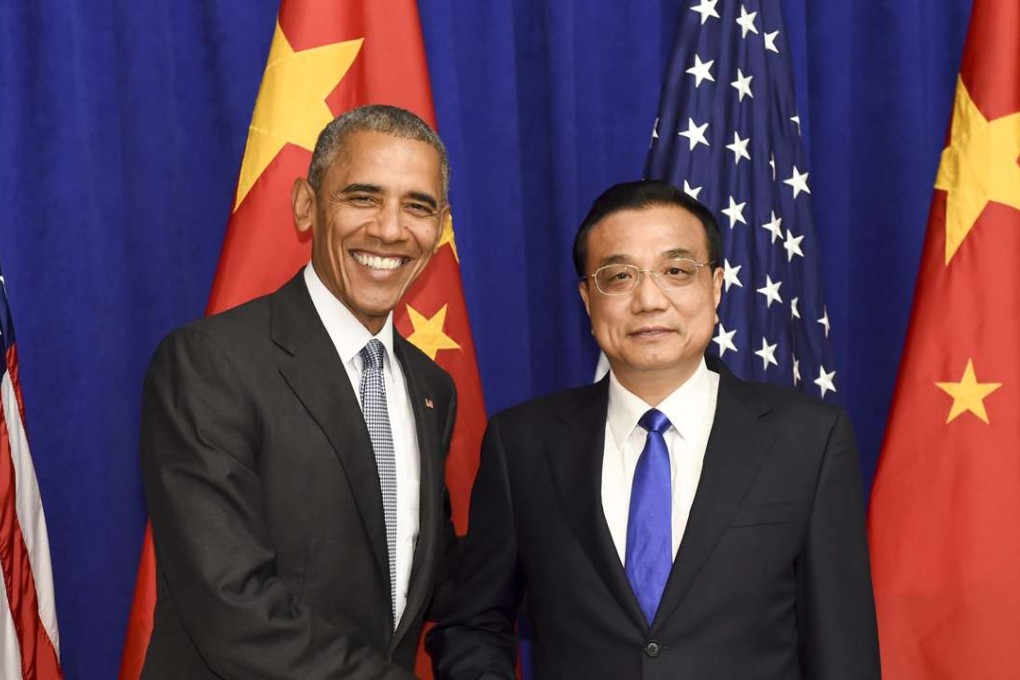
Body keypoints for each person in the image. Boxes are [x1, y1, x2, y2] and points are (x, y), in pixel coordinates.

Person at [427, 180, 880, 679]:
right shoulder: (523, 444)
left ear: (715, 286)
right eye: (619, 276)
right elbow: (472, 623)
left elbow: (842, 647)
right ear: (586, 298)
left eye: (676, 271)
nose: (648, 299)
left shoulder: (809, 441)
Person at [139, 104, 459, 678]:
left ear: (440, 226)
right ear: (306, 206)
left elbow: (428, 583)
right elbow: (232, 605)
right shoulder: (211, 363)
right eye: (363, 197)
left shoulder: (432, 390)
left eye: (418, 206)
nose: (390, 229)